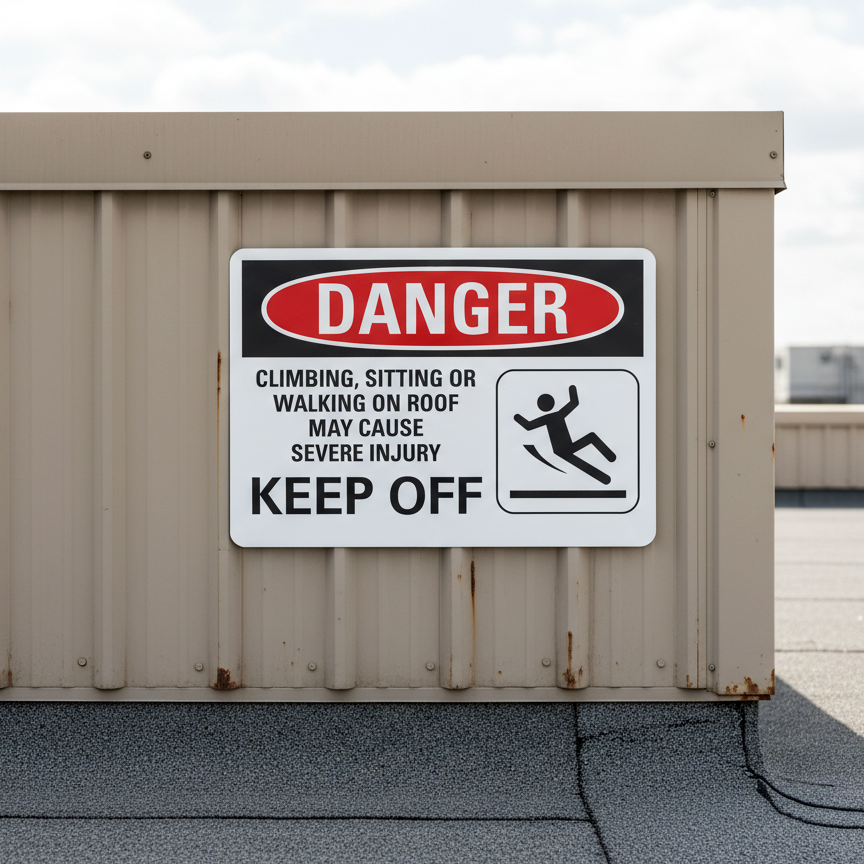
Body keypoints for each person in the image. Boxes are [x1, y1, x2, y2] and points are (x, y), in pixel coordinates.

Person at [514, 385, 616, 485]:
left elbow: (528, 426)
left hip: (564, 448)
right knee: (590, 440)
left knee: (589, 441)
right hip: (562, 449)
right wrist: (572, 389)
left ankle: (609, 462)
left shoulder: (549, 417)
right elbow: (574, 402)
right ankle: (608, 464)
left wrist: (517, 417)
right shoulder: (558, 414)